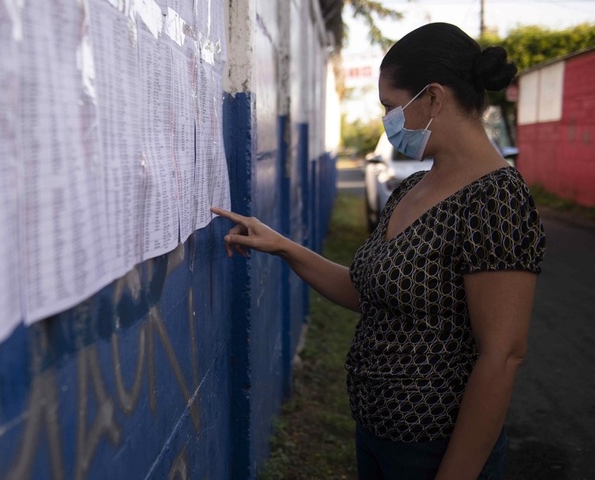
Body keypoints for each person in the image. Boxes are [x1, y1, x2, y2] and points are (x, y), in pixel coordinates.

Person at [211, 22, 546, 480]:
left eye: (390, 106)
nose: (385, 120)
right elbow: (368, 290)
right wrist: (282, 246)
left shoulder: (496, 199)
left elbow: (503, 355)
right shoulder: (412, 187)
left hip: (436, 449)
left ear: (432, 98)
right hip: (377, 435)